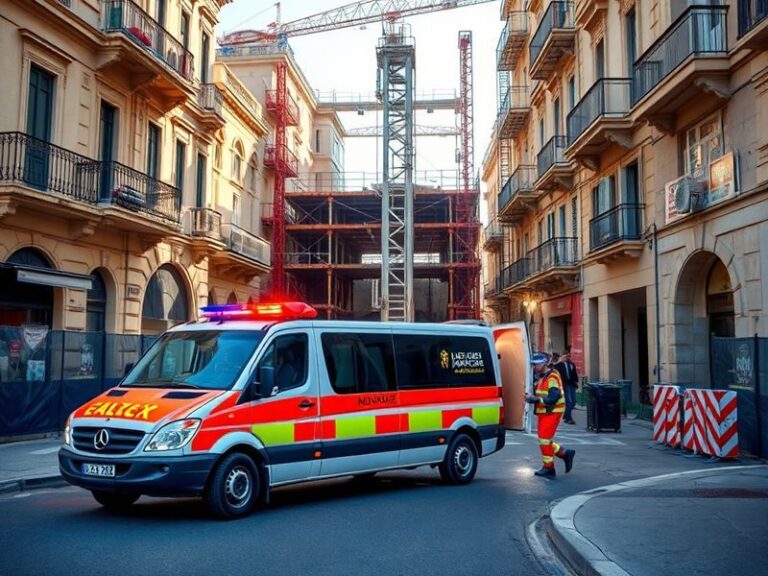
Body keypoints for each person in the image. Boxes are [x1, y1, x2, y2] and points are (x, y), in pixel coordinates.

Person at [525, 352, 575, 478]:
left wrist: (536, 400)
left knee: (544, 439)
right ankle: (564, 453)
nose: (534, 367)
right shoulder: (544, 376)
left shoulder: (552, 376)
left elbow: (554, 396)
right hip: (546, 411)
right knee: (544, 440)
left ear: (543, 363)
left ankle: (549, 468)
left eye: (536, 364)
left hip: (553, 411)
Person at [555, 350, 579, 425]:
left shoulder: (571, 364)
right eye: (566, 356)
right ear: (562, 356)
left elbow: (574, 374)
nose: (568, 357)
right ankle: (568, 418)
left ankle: (566, 415)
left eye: (569, 356)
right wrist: (559, 361)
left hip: (571, 384)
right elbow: (553, 369)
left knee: (573, 401)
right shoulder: (559, 364)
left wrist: (576, 382)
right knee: (569, 401)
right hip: (564, 384)